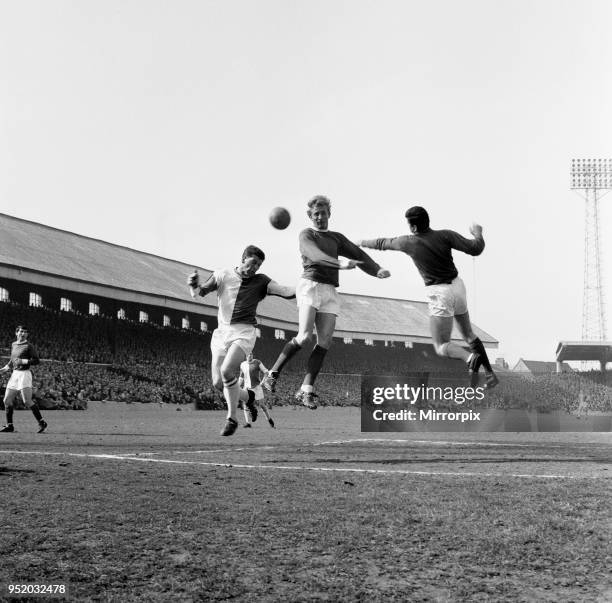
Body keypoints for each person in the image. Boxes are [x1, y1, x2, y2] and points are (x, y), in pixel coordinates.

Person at [262, 195, 390, 408]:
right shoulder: (306, 235)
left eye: (323, 213)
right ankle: (272, 374)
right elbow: (316, 256)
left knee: (325, 342)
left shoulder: (336, 238)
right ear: (309, 216)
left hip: (330, 290)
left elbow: (358, 254)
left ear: (329, 213)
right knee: (304, 337)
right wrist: (339, 264)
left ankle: (306, 390)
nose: (320, 217)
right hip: (310, 286)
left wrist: (376, 270)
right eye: (315, 214)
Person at [357, 206, 498, 388]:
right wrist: (478, 233)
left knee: (441, 346)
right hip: (458, 286)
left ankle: (470, 358)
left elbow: (383, 243)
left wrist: (361, 242)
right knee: (468, 335)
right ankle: (490, 375)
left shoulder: (407, 242)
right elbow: (475, 249)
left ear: (413, 227)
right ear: (428, 221)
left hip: (440, 293)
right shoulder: (446, 235)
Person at [188, 245, 295, 436]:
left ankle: (232, 419)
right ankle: (249, 398)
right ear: (243, 258)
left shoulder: (261, 281)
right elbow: (201, 292)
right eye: (253, 263)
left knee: (227, 371)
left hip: (244, 332)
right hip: (222, 334)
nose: (255, 268)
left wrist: (306, 287)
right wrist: (193, 286)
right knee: (218, 383)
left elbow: (285, 290)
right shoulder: (222, 275)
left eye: (259, 265)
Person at [0, 325, 48, 433]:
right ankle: (10, 425)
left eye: (25, 332)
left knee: (27, 401)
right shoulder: (13, 344)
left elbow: (36, 360)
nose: (23, 333)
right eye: (21, 331)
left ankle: (42, 422)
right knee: (7, 400)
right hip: (15, 374)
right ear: (16, 333)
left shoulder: (29, 346)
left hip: (24, 374)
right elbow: (13, 360)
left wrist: (24, 361)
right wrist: (4, 369)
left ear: (27, 334)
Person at [238, 353, 275, 429]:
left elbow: (266, 372)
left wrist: (263, 381)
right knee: (245, 404)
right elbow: (241, 377)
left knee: (262, 405)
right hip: (247, 388)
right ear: (246, 356)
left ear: (253, 355)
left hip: (257, 387)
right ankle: (248, 423)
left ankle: (269, 420)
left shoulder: (257, 362)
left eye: (251, 354)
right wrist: (237, 386)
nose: (250, 356)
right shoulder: (242, 364)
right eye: (248, 354)